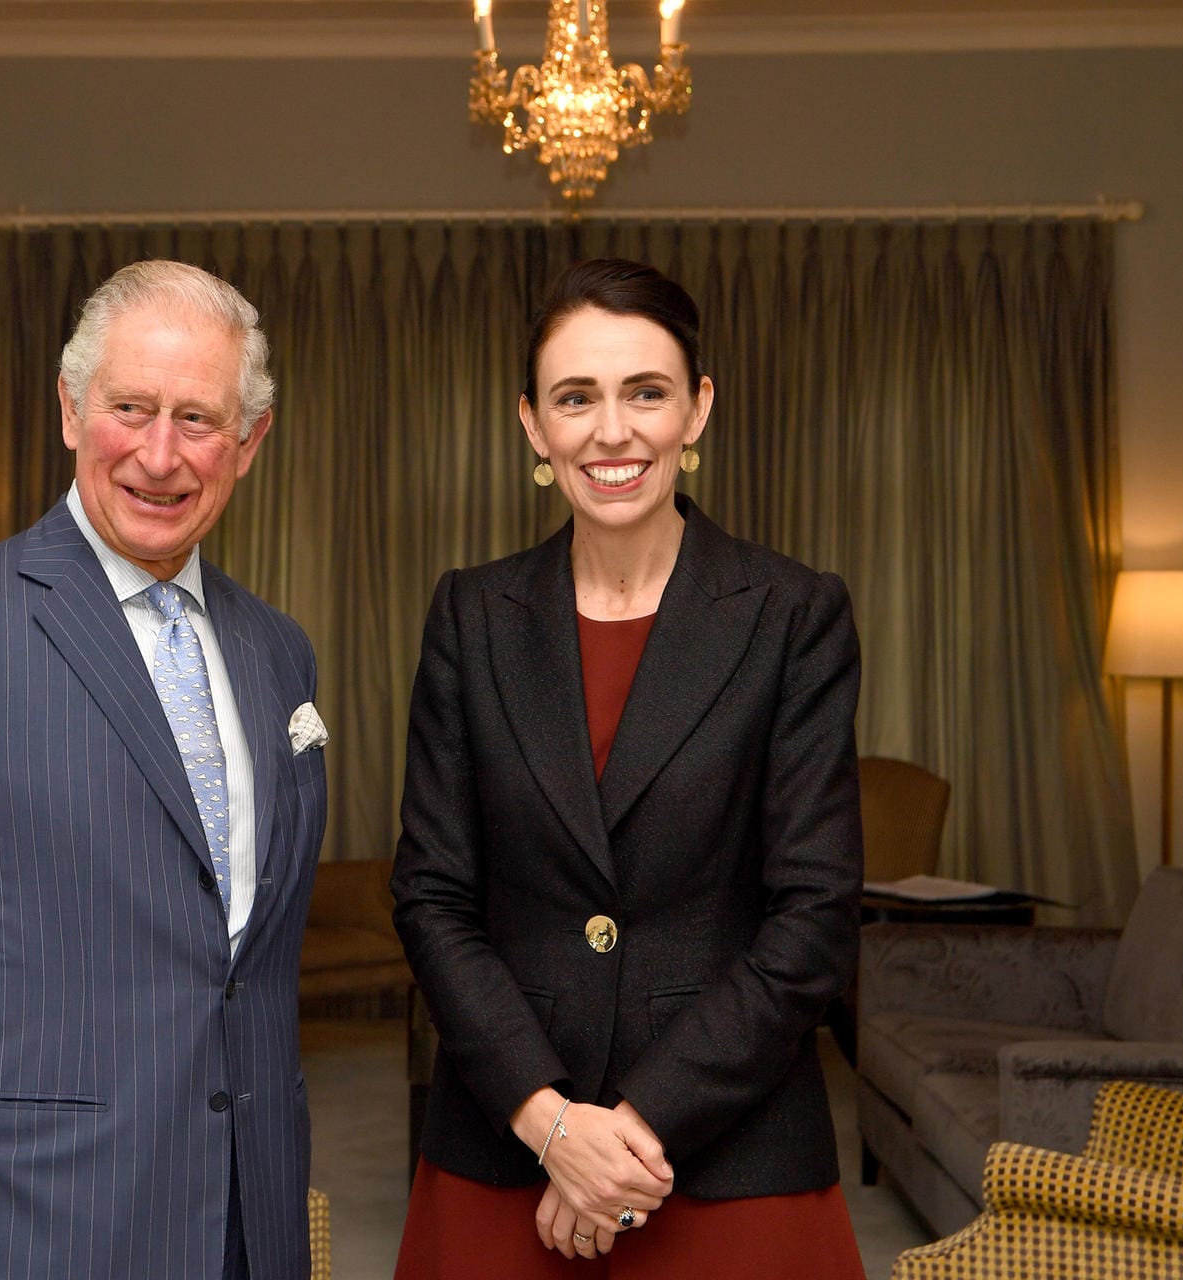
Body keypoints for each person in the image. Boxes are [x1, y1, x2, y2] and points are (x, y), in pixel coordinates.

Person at [0, 260, 329, 1280]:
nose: (159, 452)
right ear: (70, 407)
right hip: (13, 1212)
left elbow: (249, 959)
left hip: (240, 1208)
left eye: (198, 418)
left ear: (250, 441)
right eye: (130, 407)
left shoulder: (278, 651)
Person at [390, 258, 867, 1278]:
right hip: (504, 1149)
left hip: (730, 1157)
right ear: (532, 424)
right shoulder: (472, 616)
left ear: (698, 408)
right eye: (576, 397)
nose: (613, 431)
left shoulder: (795, 615)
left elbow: (814, 915)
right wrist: (551, 1122)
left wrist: (633, 1132)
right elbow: (432, 896)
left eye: (646, 392)